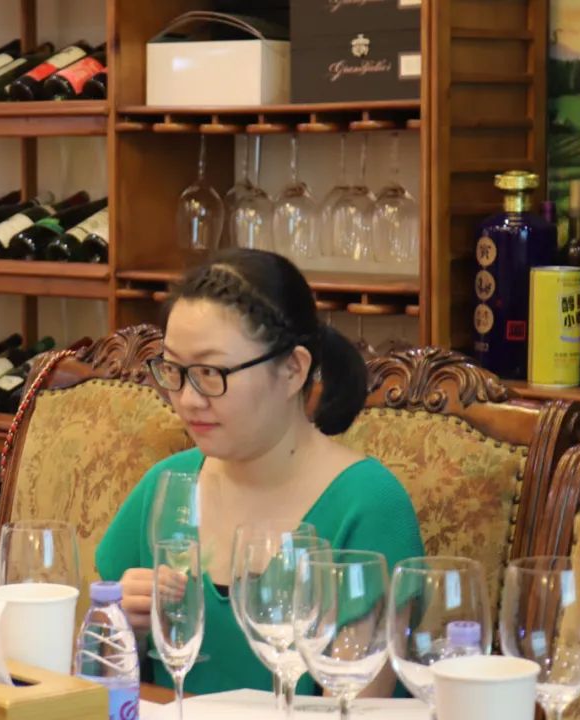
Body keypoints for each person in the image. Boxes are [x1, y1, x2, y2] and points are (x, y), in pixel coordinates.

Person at [96, 248, 424, 696]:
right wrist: (119, 629)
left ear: (292, 370)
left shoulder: (369, 506)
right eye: (173, 370)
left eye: (211, 372)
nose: (187, 399)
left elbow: (352, 704)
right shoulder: (167, 487)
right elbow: (88, 673)